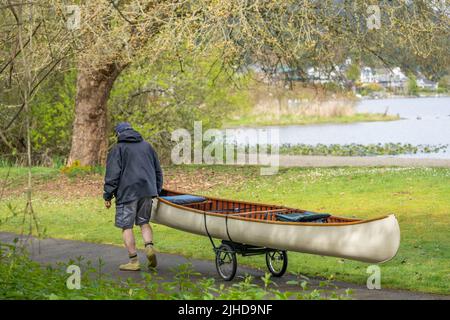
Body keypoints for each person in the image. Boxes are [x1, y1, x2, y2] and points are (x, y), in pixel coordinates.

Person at [103, 122, 163, 271]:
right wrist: (156, 190)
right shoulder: (147, 146)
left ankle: (133, 261)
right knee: (144, 222)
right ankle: (149, 246)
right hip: (147, 191)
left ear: (118, 134)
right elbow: (158, 171)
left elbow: (112, 174)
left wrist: (107, 195)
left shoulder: (118, 149)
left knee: (126, 226)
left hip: (127, 193)